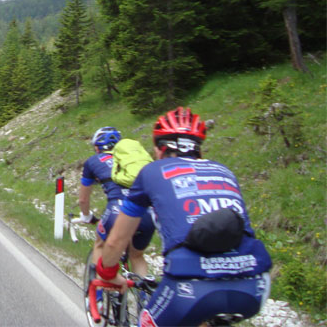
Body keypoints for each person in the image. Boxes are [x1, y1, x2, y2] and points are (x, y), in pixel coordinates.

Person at [96, 107, 272, 327]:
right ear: (198, 149)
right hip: (254, 286)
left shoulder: (151, 172)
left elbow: (116, 240)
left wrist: (108, 273)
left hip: (189, 287)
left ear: (159, 149)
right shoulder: (224, 171)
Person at [72, 126, 154, 277]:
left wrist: (86, 216)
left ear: (97, 147)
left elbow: (83, 199)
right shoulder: (130, 161)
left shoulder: (93, 161)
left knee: (100, 245)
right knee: (136, 256)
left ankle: (97, 294)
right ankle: (144, 297)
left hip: (118, 210)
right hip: (147, 214)